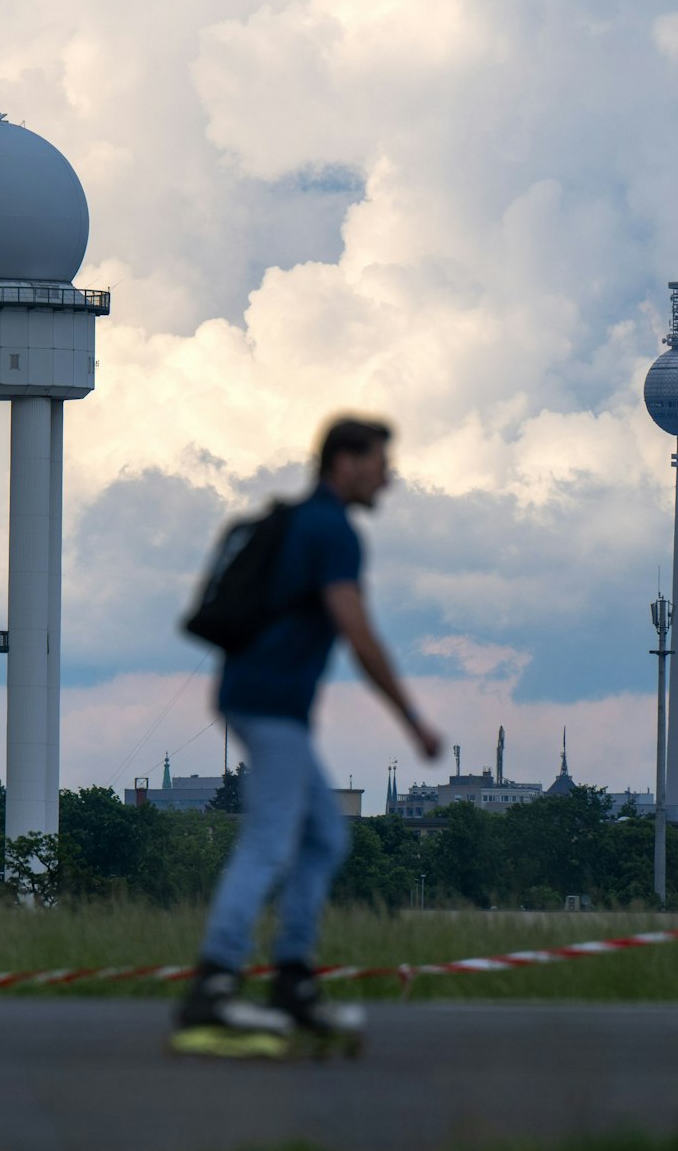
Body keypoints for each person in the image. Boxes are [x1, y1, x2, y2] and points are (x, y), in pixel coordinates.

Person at [176, 415, 444, 1050]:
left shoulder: (302, 522)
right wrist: (411, 719)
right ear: (345, 463)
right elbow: (356, 630)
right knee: (270, 840)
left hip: (259, 698)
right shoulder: (332, 530)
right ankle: (213, 986)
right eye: (382, 463)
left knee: (323, 834)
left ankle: (293, 981)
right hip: (269, 704)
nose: (390, 478)